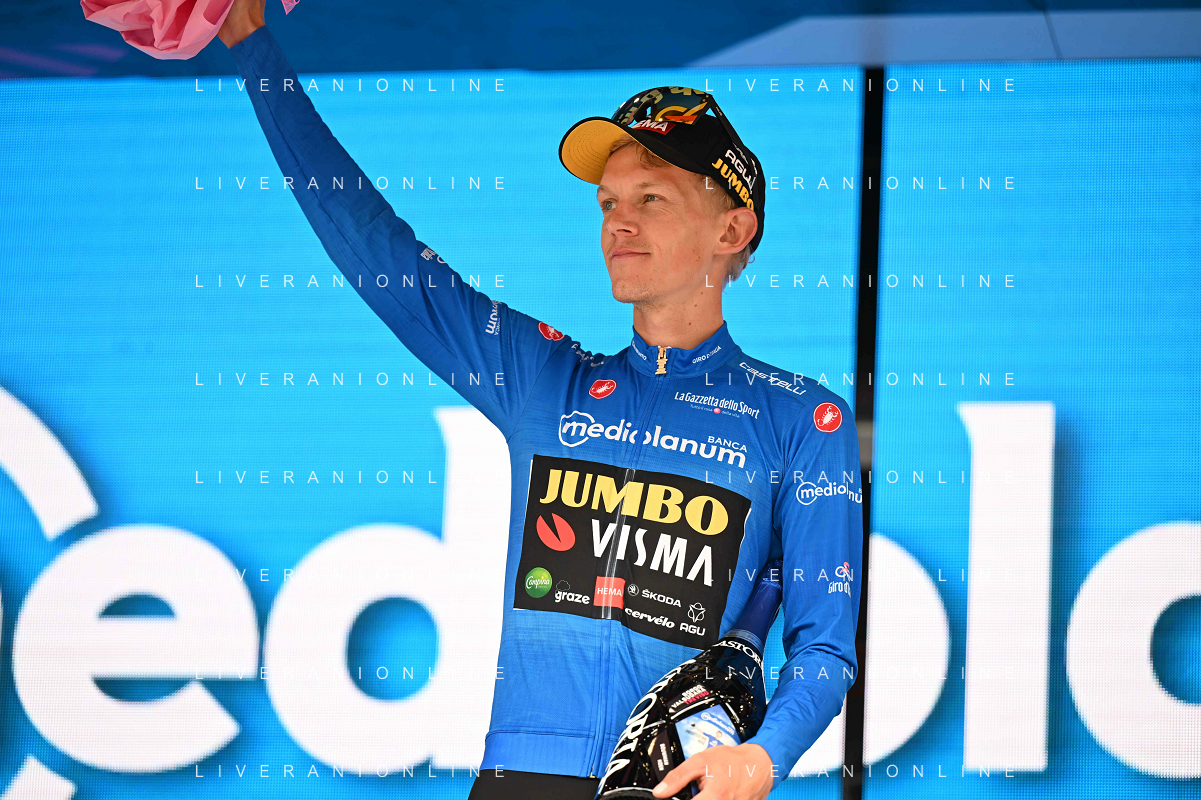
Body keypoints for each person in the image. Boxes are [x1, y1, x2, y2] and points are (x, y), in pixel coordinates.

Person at [217, 2, 863, 798]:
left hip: (673, 787)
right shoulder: (541, 377)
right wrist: (250, 43)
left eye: (651, 199)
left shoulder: (801, 418)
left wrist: (762, 757)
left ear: (731, 231)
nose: (618, 224)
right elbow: (376, 250)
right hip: (518, 777)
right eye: (608, 203)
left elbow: (824, 648)